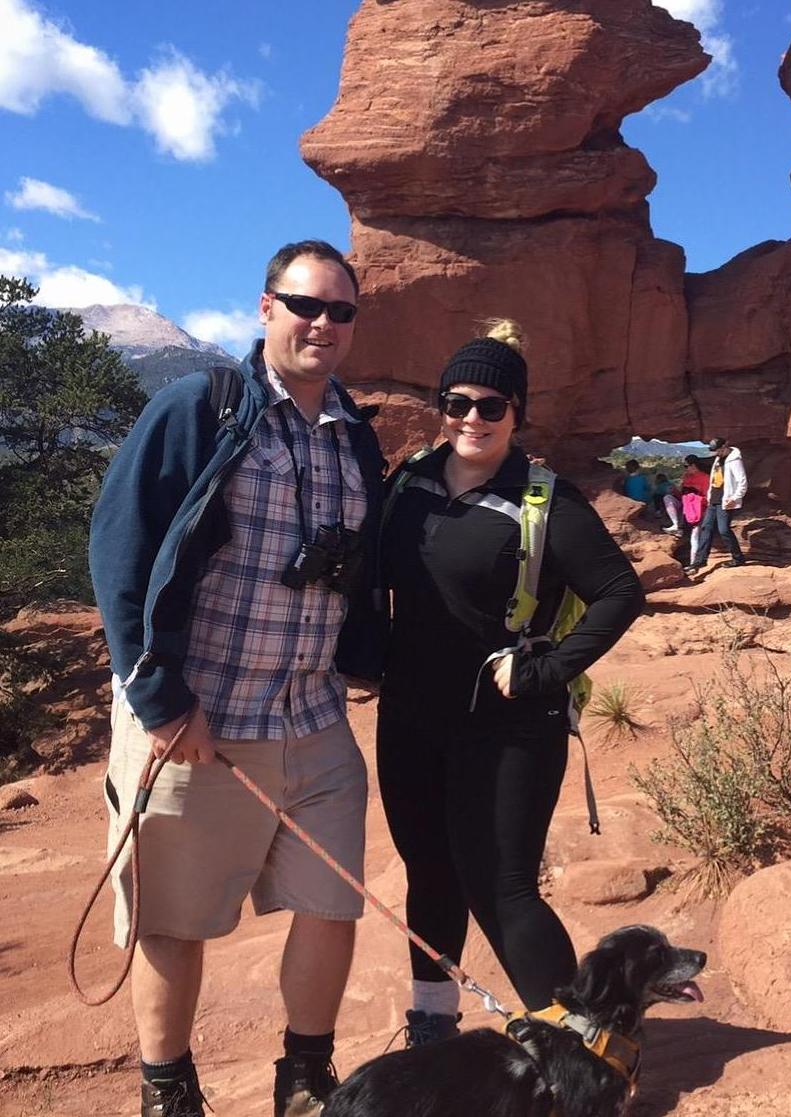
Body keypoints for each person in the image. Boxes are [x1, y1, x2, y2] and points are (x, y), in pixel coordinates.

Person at [89, 240, 387, 1117]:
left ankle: (304, 1079)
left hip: (312, 718)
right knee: (173, 917)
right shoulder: (203, 407)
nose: (322, 324)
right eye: (305, 305)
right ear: (265, 308)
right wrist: (158, 699)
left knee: (333, 902)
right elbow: (119, 547)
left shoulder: (356, 435)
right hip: (200, 721)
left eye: (340, 311)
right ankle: (168, 1089)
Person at [376, 319, 645, 1046]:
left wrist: (547, 669)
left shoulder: (545, 500)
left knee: (501, 886)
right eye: (456, 402)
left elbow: (620, 591)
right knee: (430, 871)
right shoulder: (409, 484)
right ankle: (433, 1025)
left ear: (516, 413)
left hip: (507, 724)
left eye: (491, 405)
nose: (472, 418)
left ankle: (584, 1046)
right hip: (411, 716)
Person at [684, 437, 747, 575]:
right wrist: (709, 496)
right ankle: (699, 561)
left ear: (725, 446)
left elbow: (742, 481)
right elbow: (714, 479)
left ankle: (738, 558)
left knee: (724, 530)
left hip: (726, 501)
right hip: (714, 500)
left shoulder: (734, 459)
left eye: (718, 450)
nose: (716, 453)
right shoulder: (718, 459)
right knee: (706, 528)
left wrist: (735, 498)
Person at [679, 453, 710, 568]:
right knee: (668, 499)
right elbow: (681, 494)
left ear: (693, 465)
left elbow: (708, 498)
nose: (685, 469)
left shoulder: (705, 478)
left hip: (699, 511)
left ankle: (694, 563)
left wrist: (695, 498)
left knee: (695, 536)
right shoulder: (686, 477)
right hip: (686, 510)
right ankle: (676, 526)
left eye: (686, 466)